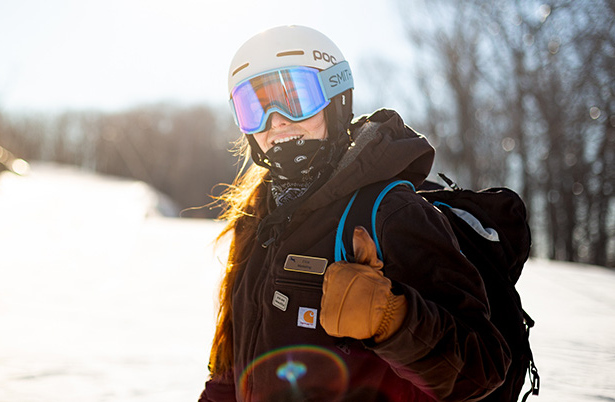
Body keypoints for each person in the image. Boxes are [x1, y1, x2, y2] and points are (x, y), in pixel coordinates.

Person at [200, 25, 510, 401]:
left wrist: (394, 320)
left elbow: (483, 368)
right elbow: (234, 368)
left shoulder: (389, 212)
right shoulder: (258, 216)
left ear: (335, 100)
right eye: (255, 108)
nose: (276, 121)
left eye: (294, 98)